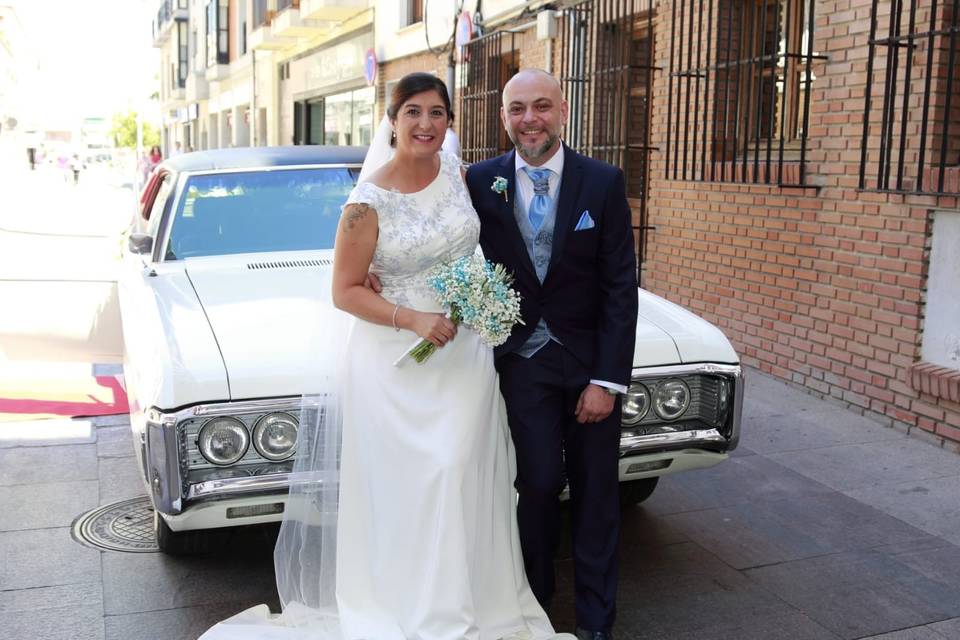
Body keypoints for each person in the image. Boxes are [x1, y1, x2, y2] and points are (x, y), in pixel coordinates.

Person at [199, 73, 574, 640]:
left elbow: (479, 239)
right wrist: (410, 315)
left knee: (470, 473)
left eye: (438, 113)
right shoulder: (365, 203)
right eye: (413, 113)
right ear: (392, 121)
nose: (426, 124)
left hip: (464, 355)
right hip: (397, 362)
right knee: (419, 484)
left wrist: (486, 296)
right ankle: (419, 609)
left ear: (450, 121)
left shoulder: (456, 171)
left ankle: (477, 598)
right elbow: (344, 291)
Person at [464, 69, 639, 640]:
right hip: (522, 361)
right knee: (536, 484)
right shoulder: (480, 181)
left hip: (589, 364)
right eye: (517, 109)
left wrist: (608, 381)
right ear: (504, 117)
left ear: (562, 109)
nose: (529, 119)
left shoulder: (602, 181)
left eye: (541, 106)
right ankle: (534, 608)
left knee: (596, 495)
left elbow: (619, 287)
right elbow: (452, 254)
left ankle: (595, 622)